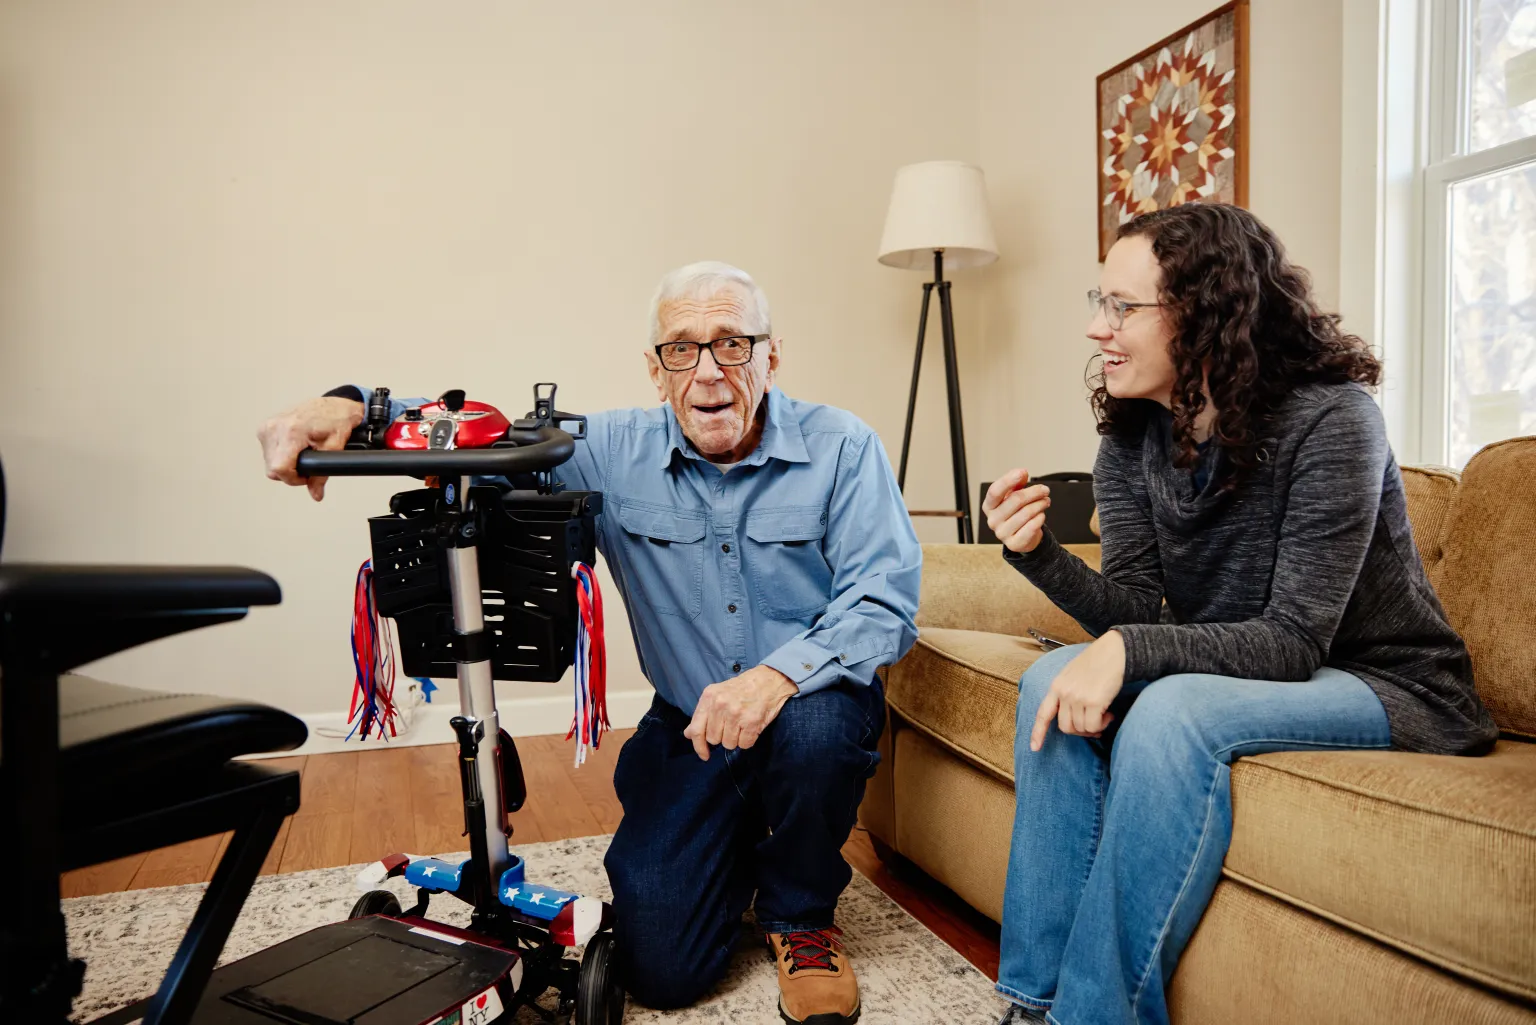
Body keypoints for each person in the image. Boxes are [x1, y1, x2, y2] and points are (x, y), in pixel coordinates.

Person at [257, 261, 921, 1025]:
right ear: (654, 369)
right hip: (694, 729)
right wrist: (346, 404)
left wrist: (775, 677)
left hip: (808, 707)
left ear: (772, 355)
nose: (708, 372)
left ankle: (800, 909)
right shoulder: (609, 447)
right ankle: (729, 833)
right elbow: (482, 430)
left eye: (732, 344)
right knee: (662, 967)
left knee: (820, 727)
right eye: (682, 349)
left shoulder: (844, 445)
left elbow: (886, 601)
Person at [981, 204, 1497, 1025]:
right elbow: (1139, 605)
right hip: (1252, 663)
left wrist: (1127, 647)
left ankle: (1093, 1017)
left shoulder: (1333, 419)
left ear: (1202, 312)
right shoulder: (1132, 434)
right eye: (1098, 300)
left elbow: (1293, 639)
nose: (1094, 327)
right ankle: (1030, 1005)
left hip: (1387, 681)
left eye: (1121, 306)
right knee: (1050, 676)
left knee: (1174, 709)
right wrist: (1039, 554)